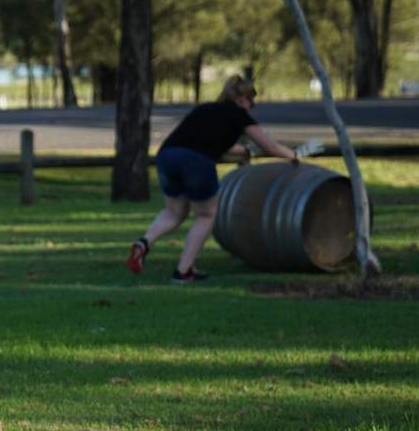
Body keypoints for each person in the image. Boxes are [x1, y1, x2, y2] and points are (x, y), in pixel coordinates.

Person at [126, 76, 322, 283]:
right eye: (251, 101)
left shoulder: (206, 109)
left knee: (175, 211)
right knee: (206, 215)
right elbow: (269, 146)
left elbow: (212, 141)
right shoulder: (238, 115)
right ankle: (183, 272)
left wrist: (244, 150)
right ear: (241, 98)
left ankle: (143, 243)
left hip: (167, 156)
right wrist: (295, 155)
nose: (251, 107)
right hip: (195, 161)